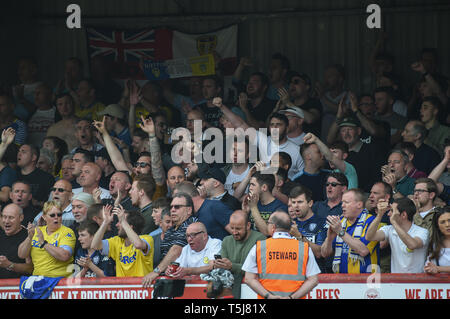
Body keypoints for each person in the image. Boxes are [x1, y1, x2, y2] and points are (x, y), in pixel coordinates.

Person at [242, 210, 320, 299]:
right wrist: (292, 297)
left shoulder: (259, 247)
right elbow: (313, 280)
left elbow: (249, 279)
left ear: (273, 227)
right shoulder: (304, 248)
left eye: (268, 223)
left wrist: (268, 296)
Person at [142, 192, 198, 287]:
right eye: (171, 207)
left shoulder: (190, 224)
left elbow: (176, 250)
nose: (172, 210)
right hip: (170, 280)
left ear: (189, 210)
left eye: (177, 207)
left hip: (188, 283)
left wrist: (156, 272)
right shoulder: (172, 228)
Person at [321, 189, 380, 274]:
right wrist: (329, 239)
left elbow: (363, 251)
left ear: (359, 204)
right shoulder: (340, 222)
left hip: (367, 281)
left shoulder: (372, 221)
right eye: (342, 202)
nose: (342, 206)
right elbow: (324, 254)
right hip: (342, 281)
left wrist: (341, 232)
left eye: (346, 202)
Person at [366, 197, 429, 273]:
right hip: (396, 280)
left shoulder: (422, 232)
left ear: (403, 215)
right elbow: (369, 237)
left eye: (392, 211)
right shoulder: (389, 229)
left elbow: (412, 245)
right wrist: (379, 215)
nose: (389, 214)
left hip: (417, 281)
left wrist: (394, 222)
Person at [214, 210, 266, 299]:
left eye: (238, 228)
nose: (234, 232)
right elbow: (225, 270)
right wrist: (219, 265)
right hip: (229, 290)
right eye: (232, 228)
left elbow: (257, 270)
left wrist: (231, 266)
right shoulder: (227, 240)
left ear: (248, 225)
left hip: (252, 290)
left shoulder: (260, 239)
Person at [91, 204, 154, 277]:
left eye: (120, 222)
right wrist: (105, 222)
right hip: (123, 288)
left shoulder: (147, 239)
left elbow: (138, 245)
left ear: (130, 226)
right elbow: (94, 245)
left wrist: (123, 221)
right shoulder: (117, 241)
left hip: (140, 287)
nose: (116, 225)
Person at [18, 200, 76, 277]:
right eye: (52, 215)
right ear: (44, 217)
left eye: (59, 215)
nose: (56, 218)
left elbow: (64, 255)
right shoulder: (38, 231)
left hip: (59, 281)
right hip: (38, 279)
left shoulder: (67, 232)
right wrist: (29, 237)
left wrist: (44, 243)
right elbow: (22, 254)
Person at [289, 186, 330, 273]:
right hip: (293, 275)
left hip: (316, 277)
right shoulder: (288, 225)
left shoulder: (322, 224)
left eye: (300, 202)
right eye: (293, 202)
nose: (296, 205)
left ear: (310, 203)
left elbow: (319, 253)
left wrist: (300, 237)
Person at [244, 171, 288, 236]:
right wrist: (245, 212)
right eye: (250, 185)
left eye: (253, 185)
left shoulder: (280, 208)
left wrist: (253, 208)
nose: (250, 188)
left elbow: (268, 233)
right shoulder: (252, 203)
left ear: (264, 187)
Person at [0, 203, 33, 278]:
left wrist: (9, 265)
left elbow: (30, 268)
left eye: (11, 217)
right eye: (4, 217)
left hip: (17, 287)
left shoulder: (27, 237)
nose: (6, 221)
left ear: (21, 218)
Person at [26, 83, 56, 148]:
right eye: (35, 93)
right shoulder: (30, 115)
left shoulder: (57, 114)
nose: (36, 96)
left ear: (50, 96)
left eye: (39, 93)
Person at [424, 206, 450, 274]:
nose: (447, 224)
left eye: (449, 220)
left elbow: (436, 268)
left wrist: (439, 269)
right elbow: (429, 266)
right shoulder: (435, 245)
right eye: (443, 222)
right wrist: (429, 269)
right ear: (437, 226)